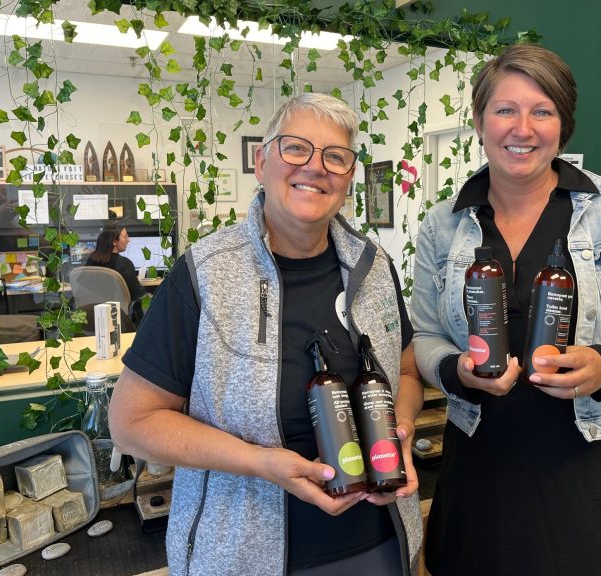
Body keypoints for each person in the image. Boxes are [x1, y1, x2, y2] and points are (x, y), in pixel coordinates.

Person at [410, 43, 601, 576]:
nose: (521, 128)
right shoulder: (443, 225)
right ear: (479, 121)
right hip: (483, 473)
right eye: (505, 110)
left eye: (541, 111)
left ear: (562, 125)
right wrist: (454, 372)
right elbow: (425, 338)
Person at [109, 93, 424, 575]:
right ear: (262, 162)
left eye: (335, 157)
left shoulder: (374, 265)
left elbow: (404, 371)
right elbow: (132, 422)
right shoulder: (204, 275)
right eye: (296, 148)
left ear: (348, 179)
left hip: (378, 543)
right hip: (242, 555)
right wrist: (259, 462)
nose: (316, 167)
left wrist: (399, 433)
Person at [85, 221, 146, 303]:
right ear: (114, 241)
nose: (128, 240)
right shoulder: (124, 264)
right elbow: (138, 295)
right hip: (118, 312)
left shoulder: (91, 260)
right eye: (125, 237)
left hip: (92, 311)